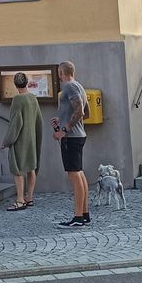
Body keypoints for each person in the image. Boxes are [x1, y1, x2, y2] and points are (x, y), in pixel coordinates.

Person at [51, 60, 90, 228]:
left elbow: (80, 111)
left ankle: (78, 217)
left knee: (74, 175)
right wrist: (61, 120)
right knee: (79, 174)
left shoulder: (68, 87)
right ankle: (85, 214)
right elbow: (86, 113)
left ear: (61, 72)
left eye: (58, 73)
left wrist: (64, 130)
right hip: (78, 135)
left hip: (71, 138)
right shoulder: (79, 86)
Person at [0, 72, 43, 211]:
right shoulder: (33, 98)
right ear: (27, 83)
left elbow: (15, 123)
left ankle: (19, 200)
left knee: (17, 168)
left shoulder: (18, 99)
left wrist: (6, 141)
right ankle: (29, 198)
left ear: (15, 84)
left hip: (20, 139)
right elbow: (38, 120)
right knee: (31, 168)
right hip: (32, 137)